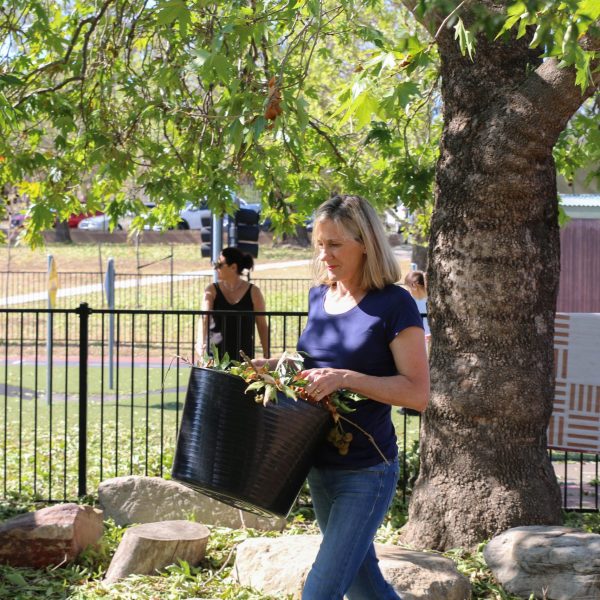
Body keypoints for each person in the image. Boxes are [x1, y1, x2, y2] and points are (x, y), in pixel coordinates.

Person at [256, 195, 429, 600]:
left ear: (365, 242)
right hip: (319, 465)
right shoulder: (321, 296)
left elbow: (417, 394)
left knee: (320, 592)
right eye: (320, 244)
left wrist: (347, 379)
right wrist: (275, 366)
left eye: (335, 244)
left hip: (366, 471)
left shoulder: (395, 304)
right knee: (364, 586)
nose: (325, 254)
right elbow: (313, 366)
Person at [196, 246, 269, 360]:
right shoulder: (211, 290)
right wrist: (200, 343)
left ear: (233, 267)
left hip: (243, 355)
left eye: (219, 265)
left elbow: (261, 324)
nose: (216, 268)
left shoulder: (254, 292)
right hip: (215, 356)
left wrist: (266, 353)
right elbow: (204, 317)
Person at [404, 270, 430, 343]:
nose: (410, 294)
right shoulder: (429, 299)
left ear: (414, 286)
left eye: (409, 290)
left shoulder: (434, 300)